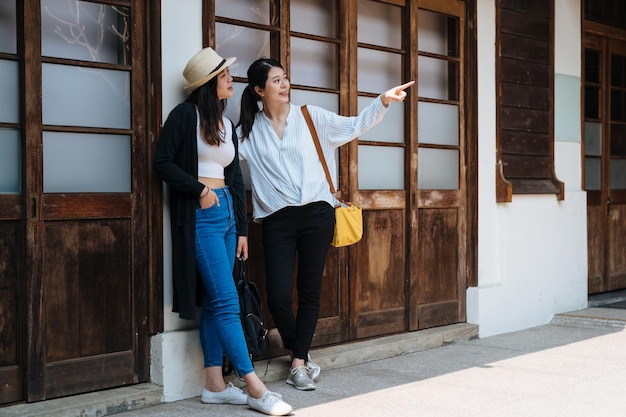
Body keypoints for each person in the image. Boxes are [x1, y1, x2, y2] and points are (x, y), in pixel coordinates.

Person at [237, 57, 414, 391]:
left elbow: (353, 126)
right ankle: (300, 350)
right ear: (259, 90)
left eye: (285, 78)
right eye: (276, 81)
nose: (284, 84)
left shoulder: (311, 116)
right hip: (276, 220)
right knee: (276, 296)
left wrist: (383, 101)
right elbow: (222, 158)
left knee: (309, 290)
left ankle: (299, 363)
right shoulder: (247, 132)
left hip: (317, 213)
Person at [153, 48, 292, 416]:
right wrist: (198, 190)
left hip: (228, 216)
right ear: (208, 83)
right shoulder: (184, 116)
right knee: (228, 301)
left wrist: (243, 229)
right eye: (225, 75)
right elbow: (162, 162)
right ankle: (256, 388)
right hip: (201, 217)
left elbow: (233, 178)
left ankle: (214, 386)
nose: (232, 79)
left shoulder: (226, 124)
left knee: (218, 302)